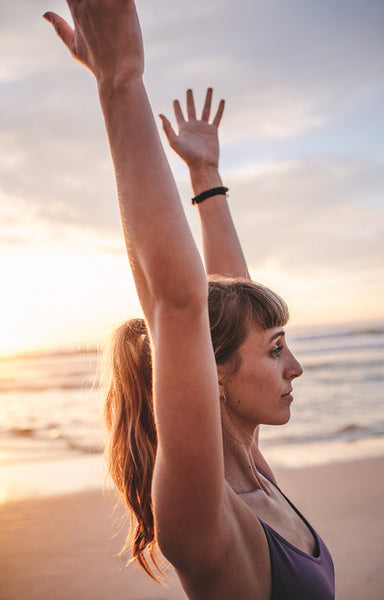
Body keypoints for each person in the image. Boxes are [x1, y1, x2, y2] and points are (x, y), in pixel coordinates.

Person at [43, 2, 335, 599]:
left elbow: (228, 309)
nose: (295, 366)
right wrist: (119, 82)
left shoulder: (255, 474)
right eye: (277, 350)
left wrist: (206, 176)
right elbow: (178, 307)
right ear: (214, 375)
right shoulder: (203, 521)